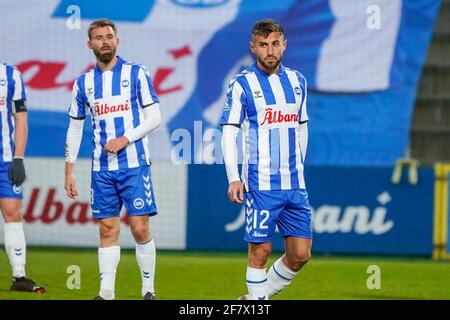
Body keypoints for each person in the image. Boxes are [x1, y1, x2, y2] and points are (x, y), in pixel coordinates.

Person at [64, 19, 162, 300]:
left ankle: (148, 289)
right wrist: (69, 169)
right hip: (102, 169)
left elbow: (155, 117)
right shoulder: (83, 83)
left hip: (134, 164)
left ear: (117, 40)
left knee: (140, 227)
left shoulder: (136, 73)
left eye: (109, 36)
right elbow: (75, 127)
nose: (104, 41)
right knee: (107, 229)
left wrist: (125, 139)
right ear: (90, 44)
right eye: (98, 37)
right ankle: (106, 292)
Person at [221, 19, 312, 300]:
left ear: (284, 45)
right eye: (263, 45)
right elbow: (228, 133)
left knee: (300, 254)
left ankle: (253, 299)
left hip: (294, 183)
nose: (270, 50)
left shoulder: (298, 81)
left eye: (275, 44)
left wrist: (300, 166)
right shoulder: (242, 84)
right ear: (253, 48)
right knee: (260, 251)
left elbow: (302, 126)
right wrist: (234, 177)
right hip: (261, 183)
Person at [0, 62, 45, 293]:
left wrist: (18, 158)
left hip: (5, 160)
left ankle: (19, 276)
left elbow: (21, 120)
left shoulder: (10, 75)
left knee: (13, 213)